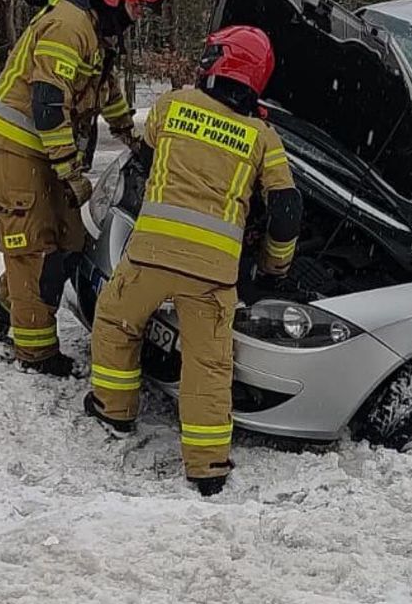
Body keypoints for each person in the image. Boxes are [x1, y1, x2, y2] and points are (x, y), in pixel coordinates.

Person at [85, 25, 301, 495]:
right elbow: (286, 209)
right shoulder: (264, 137)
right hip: (213, 273)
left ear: (220, 62)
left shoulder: (172, 105)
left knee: (117, 322)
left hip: (151, 255)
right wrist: (273, 267)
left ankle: (114, 410)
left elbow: (142, 160)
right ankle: (207, 467)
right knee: (208, 366)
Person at [0, 0, 166, 375]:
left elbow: (105, 87)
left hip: (43, 147)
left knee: (70, 241)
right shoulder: (68, 26)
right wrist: (69, 170)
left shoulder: (94, 30)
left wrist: (130, 135)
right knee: (33, 249)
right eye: (136, 6)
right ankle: (35, 353)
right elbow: (47, 104)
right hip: (18, 145)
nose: (137, 16)